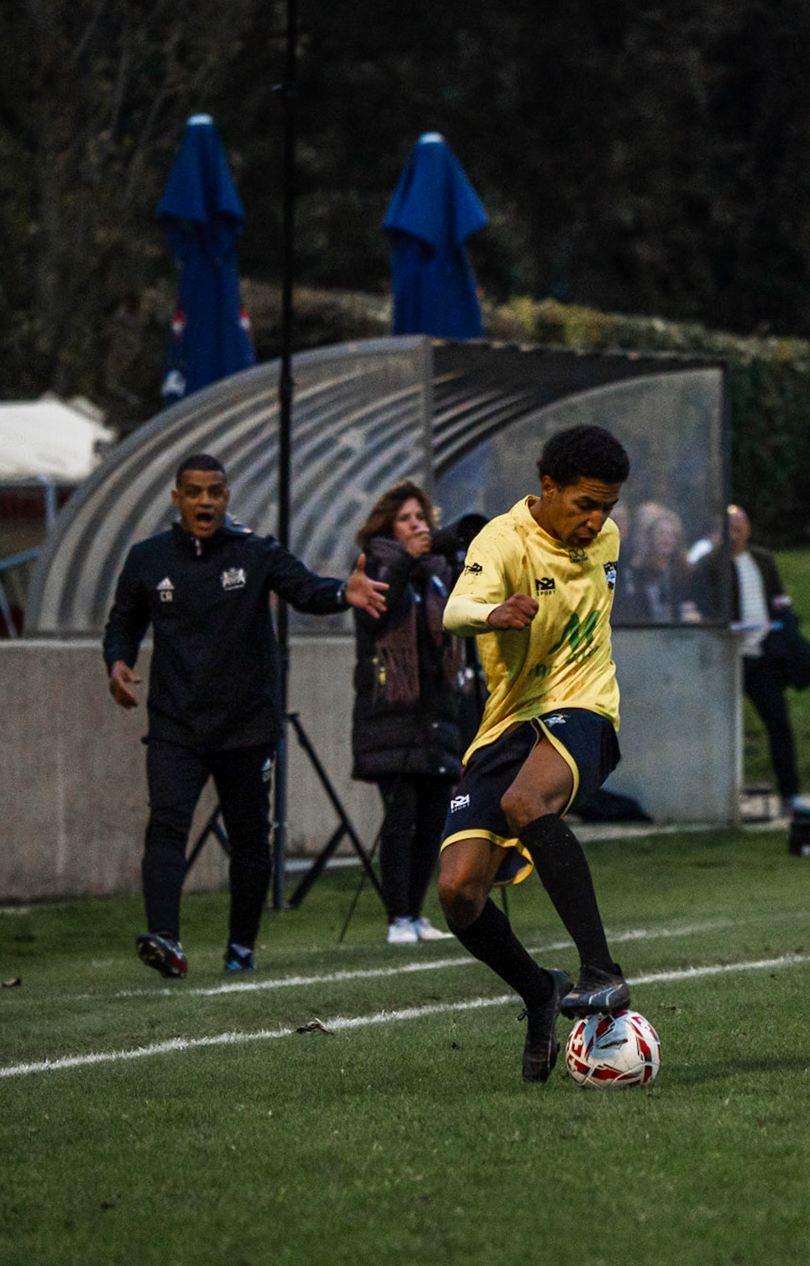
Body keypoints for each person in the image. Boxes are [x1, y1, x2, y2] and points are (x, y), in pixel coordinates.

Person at [105, 453, 388, 977]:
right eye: (193, 492)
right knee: (166, 824)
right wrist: (117, 663)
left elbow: (306, 589)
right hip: (175, 724)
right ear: (177, 499)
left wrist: (342, 594)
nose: (204, 501)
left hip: (246, 725)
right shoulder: (148, 559)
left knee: (251, 838)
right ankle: (165, 939)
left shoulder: (255, 553)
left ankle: (240, 947)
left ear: (227, 497)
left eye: (214, 491)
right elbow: (122, 623)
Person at [436, 424, 636, 1082]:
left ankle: (601, 970)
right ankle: (539, 990)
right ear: (546, 489)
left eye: (606, 506)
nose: (597, 520)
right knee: (459, 891)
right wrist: (493, 616)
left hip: (585, 708)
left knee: (527, 801)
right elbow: (455, 610)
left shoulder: (606, 537)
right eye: (584, 504)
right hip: (505, 725)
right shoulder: (502, 539)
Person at [352, 482, 466, 945]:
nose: (417, 525)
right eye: (406, 519)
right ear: (388, 526)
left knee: (435, 816)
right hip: (391, 712)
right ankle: (397, 915)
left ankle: (417, 913)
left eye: (421, 517)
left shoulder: (439, 574)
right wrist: (405, 561)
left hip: (438, 710)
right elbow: (375, 618)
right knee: (401, 816)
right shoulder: (375, 567)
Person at [722, 503, 804, 814]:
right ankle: (723, 796)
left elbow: (778, 600)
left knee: (779, 723)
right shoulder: (714, 563)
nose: (735, 532)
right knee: (725, 726)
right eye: (730, 526)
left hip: (762, 653)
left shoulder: (762, 560)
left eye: (740, 526)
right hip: (730, 656)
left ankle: (790, 794)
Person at [623, 500, 701, 624]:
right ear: (651, 537)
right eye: (661, 534)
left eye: (672, 535)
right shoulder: (637, 573)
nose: (666, 539)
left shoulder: (685, 573)